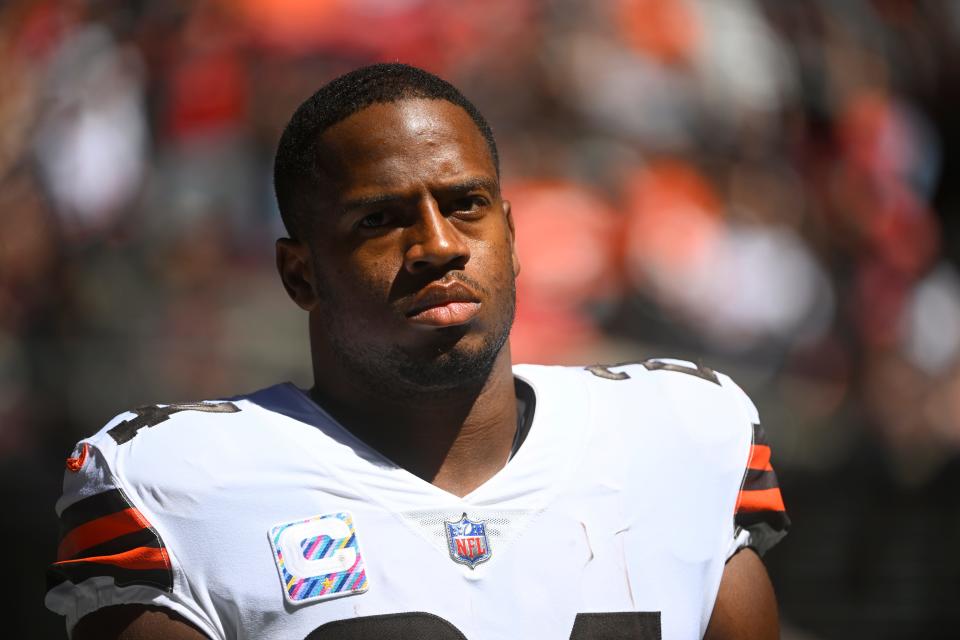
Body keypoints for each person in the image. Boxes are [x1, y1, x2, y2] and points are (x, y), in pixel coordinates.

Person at [45, 63, 789, 639]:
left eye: (465, 205)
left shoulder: (684, 433)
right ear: (299, 274)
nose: (438, 246)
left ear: (513, 234)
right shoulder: (173, 486)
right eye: (379, 220)